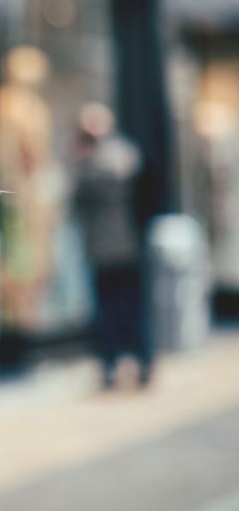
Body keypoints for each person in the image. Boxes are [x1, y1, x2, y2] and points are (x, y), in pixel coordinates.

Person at [72, 102, 153, 388]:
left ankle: (119, 365)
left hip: (109, 250)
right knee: (126, 310)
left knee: (113, 311)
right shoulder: (124, 156)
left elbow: (80, 194)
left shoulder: (92, 163)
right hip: (124, 247)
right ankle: (135, 364)